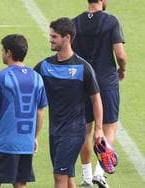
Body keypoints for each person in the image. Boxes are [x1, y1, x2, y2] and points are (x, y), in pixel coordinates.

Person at [34, 17, 104, 188]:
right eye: (50, 35)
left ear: (67, 37)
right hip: (54, 131)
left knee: (59, 176)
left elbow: (96, 100)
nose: (50, 39)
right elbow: (28, 81)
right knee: (68, 178)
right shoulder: (45, 66)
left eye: (54, 36)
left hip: (74, 132)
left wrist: (99, 129)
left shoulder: (82, 68)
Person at [0, 34, 47, 188]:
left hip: (4, 143)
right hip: (26, 144)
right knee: (20, 184)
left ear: (9, 53)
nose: (1, 53)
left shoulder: (2, 76)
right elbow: (40, 112)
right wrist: (34, 137)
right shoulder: (37, 78)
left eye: (2, 50)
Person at [72, 0, 127, 187]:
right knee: (108, 126)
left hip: (82, 81)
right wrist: (123, 69)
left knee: (85, 130)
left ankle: (86, 176)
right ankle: (100, 172)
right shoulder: (111, 21)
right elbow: (120, 54)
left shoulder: (74, 22)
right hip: (105, 81)